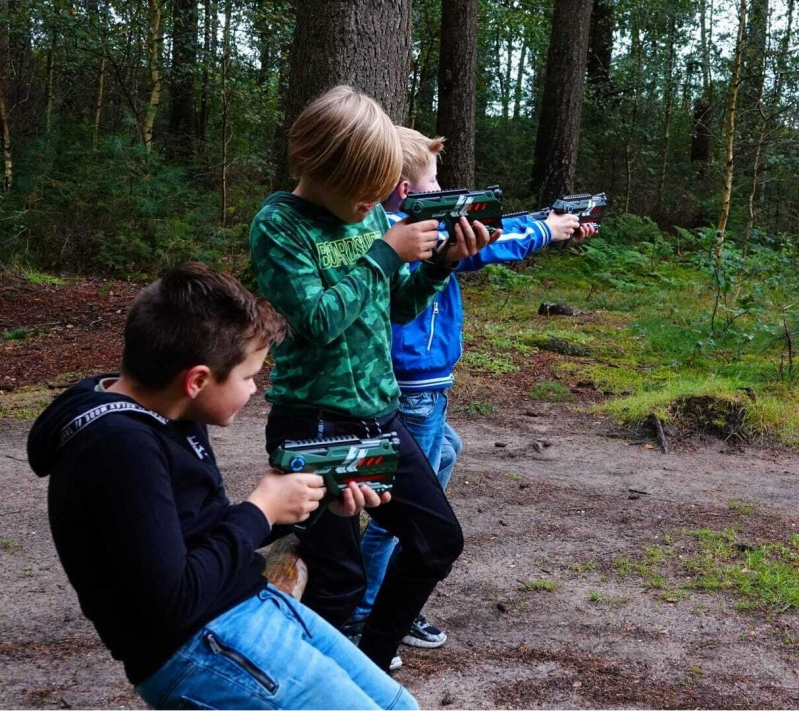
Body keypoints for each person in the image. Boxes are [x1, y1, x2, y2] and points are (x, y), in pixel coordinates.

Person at [28, 262, 417, 710]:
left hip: (243, 608)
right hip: (198, 647)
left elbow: (203, 534)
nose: (255, 390)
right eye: (249, 376)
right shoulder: (118, 447)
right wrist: (261, 510)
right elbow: (174, 599)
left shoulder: (171, 414)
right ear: (196, 380)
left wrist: (310, 504)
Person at [249, 85, 500, 673]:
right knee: (335, 582)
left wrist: (442, 264)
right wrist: (385, 253)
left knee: (438, 542)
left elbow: (394, 309)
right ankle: (320, 681)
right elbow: (315, 321)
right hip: (316, 420)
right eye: (362, 191)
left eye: (377, 191)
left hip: (380, 415)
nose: (372, 203)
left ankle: (371, 661)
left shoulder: (371, 217)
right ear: (321, 169)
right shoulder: (281, 226)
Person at [351, 127, 596, 649]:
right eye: (433, 180)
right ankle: (368, 610)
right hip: (415, 386)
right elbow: (488, 244)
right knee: (408, 511)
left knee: (442, 460)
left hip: (422, 385)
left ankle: (377, 599)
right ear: (401, 190)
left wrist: (554, 222)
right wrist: (544, 233)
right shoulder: (402, 231)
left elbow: (491, 228)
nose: (442, 187)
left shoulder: (410, 225)